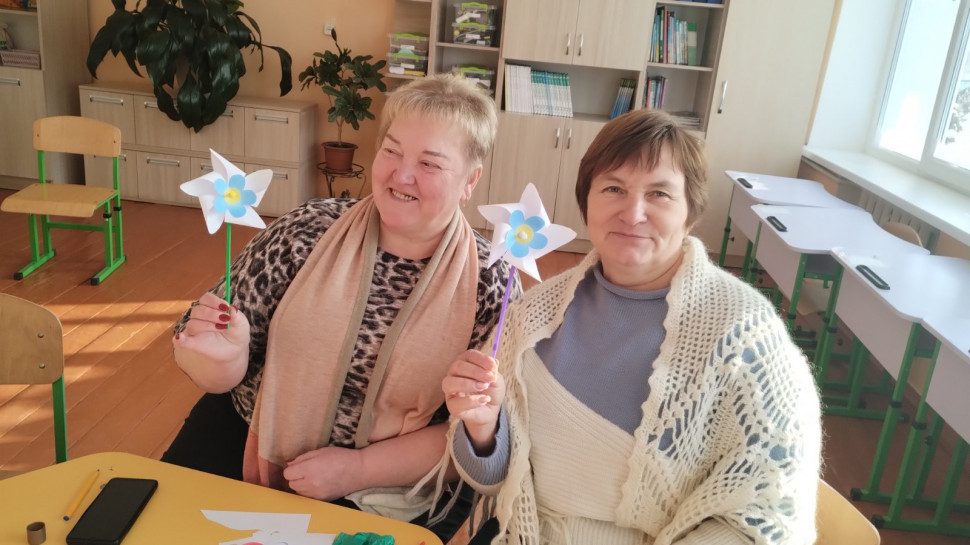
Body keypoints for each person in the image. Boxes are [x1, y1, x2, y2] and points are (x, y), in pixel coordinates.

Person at [163, 74, 520, 542]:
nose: (401, 175)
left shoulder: (493, 282)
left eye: (429, 163)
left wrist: (357, 469)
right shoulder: (307, 229)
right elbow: (206, 351)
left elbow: (472, 435)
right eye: (391, 151)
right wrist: (222, 360)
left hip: (392, 482)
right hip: (252, 438)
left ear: (470, 180)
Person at [442, 109, 822, 545]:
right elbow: (493, 482)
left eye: (659, 194)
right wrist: (483, 430)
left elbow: (766, 521)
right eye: (614, 189)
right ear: (587, 202)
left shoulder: (747, 337)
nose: (633, 212)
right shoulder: (532, 315)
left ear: (691, 212)